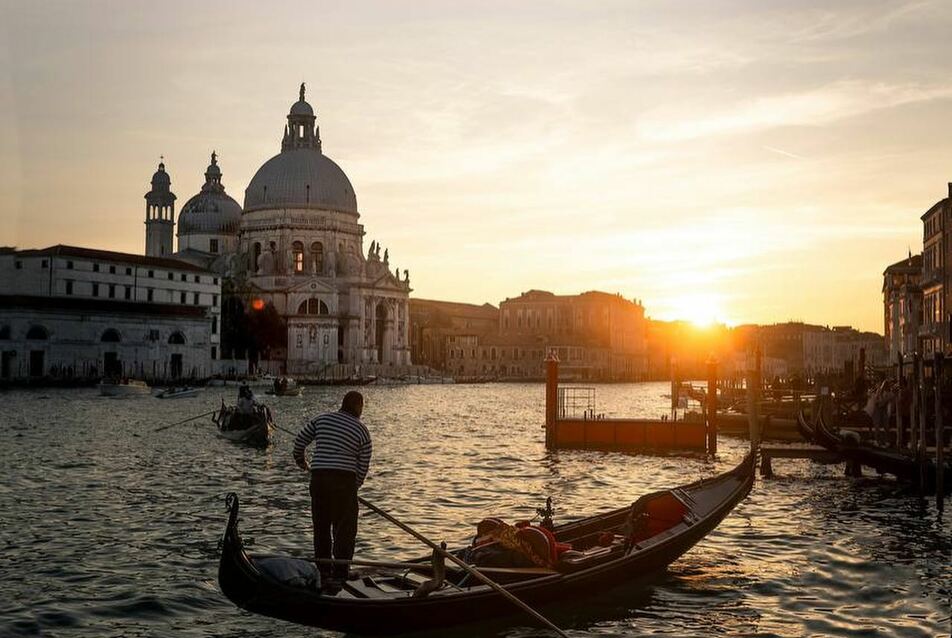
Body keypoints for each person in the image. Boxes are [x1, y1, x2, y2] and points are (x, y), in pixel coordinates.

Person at [293, 391, 372, 590]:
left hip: (319, 479)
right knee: (345, 530)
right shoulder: (362, 431)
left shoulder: (322, 419)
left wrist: (302, 462)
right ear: (359, 407)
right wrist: (355, 487)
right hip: (344, 482)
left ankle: (324, 572)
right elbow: (363, 465)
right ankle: (341, 572)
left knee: (321, 527)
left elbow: (300, 442)